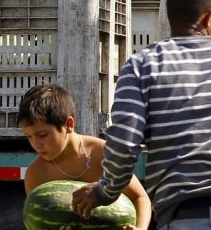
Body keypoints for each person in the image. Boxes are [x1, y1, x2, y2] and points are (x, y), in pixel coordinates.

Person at [71, 0, 211, 230]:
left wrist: (105, 192)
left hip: (183, 216)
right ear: (208, 16)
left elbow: (124, 144)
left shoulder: (143, 65)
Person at [17, 83, 151, 230]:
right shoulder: (36, 175)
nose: (36, 144)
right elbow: (36, 220)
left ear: (68, 124)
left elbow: (140, 198)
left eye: (42, 135)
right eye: (29, 136)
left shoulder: (102, 153)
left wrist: (141, 228)